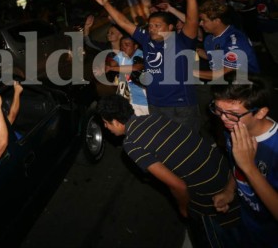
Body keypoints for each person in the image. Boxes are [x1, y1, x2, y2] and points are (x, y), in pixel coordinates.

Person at [99, 94, 242, 248]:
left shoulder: (132, 144)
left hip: (212, 198)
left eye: (106, 123)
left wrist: (183, 208)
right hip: (229, 176)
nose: (106, 127)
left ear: (115, 121)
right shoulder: (154, 117)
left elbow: (178, 185)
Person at [91, 0, 201, 132]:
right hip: (155, 105)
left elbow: (192, 21)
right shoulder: (146, 40)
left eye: (158, 25)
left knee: (186, 146)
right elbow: (124, 23)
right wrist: (106, 4)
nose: (152, 29)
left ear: (170, 27)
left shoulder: (181, 42)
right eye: (150, 26)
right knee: (165, 147)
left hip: (181, 106)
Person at [210, 76, 278, 247]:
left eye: (232, 114)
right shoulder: (233, 128)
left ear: (261, 112)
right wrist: (229, 191)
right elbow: (237, 166)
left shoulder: (275, 148)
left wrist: (249, 167)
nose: (223, 119)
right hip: (248, 220)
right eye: (218, 110)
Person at [196, 0, 260, 81]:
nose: (200, 23)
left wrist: (190, 72)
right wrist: (195, 50)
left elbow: (226, 73)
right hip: (228, 83)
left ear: (217, 21)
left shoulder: (235, 41)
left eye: (204, 20)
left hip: (245, 85)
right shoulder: (210, 38)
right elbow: (212, 56)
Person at [105, 35, 148, 115]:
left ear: (135, 46)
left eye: (127, 45)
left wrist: (111, 68)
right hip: (126, 99)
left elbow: (136, 67)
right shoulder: (121, 55)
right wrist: (107, 64)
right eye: (121, 45)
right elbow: (112, 63)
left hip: (142, 100)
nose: (123, 48)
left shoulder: (141, 54)